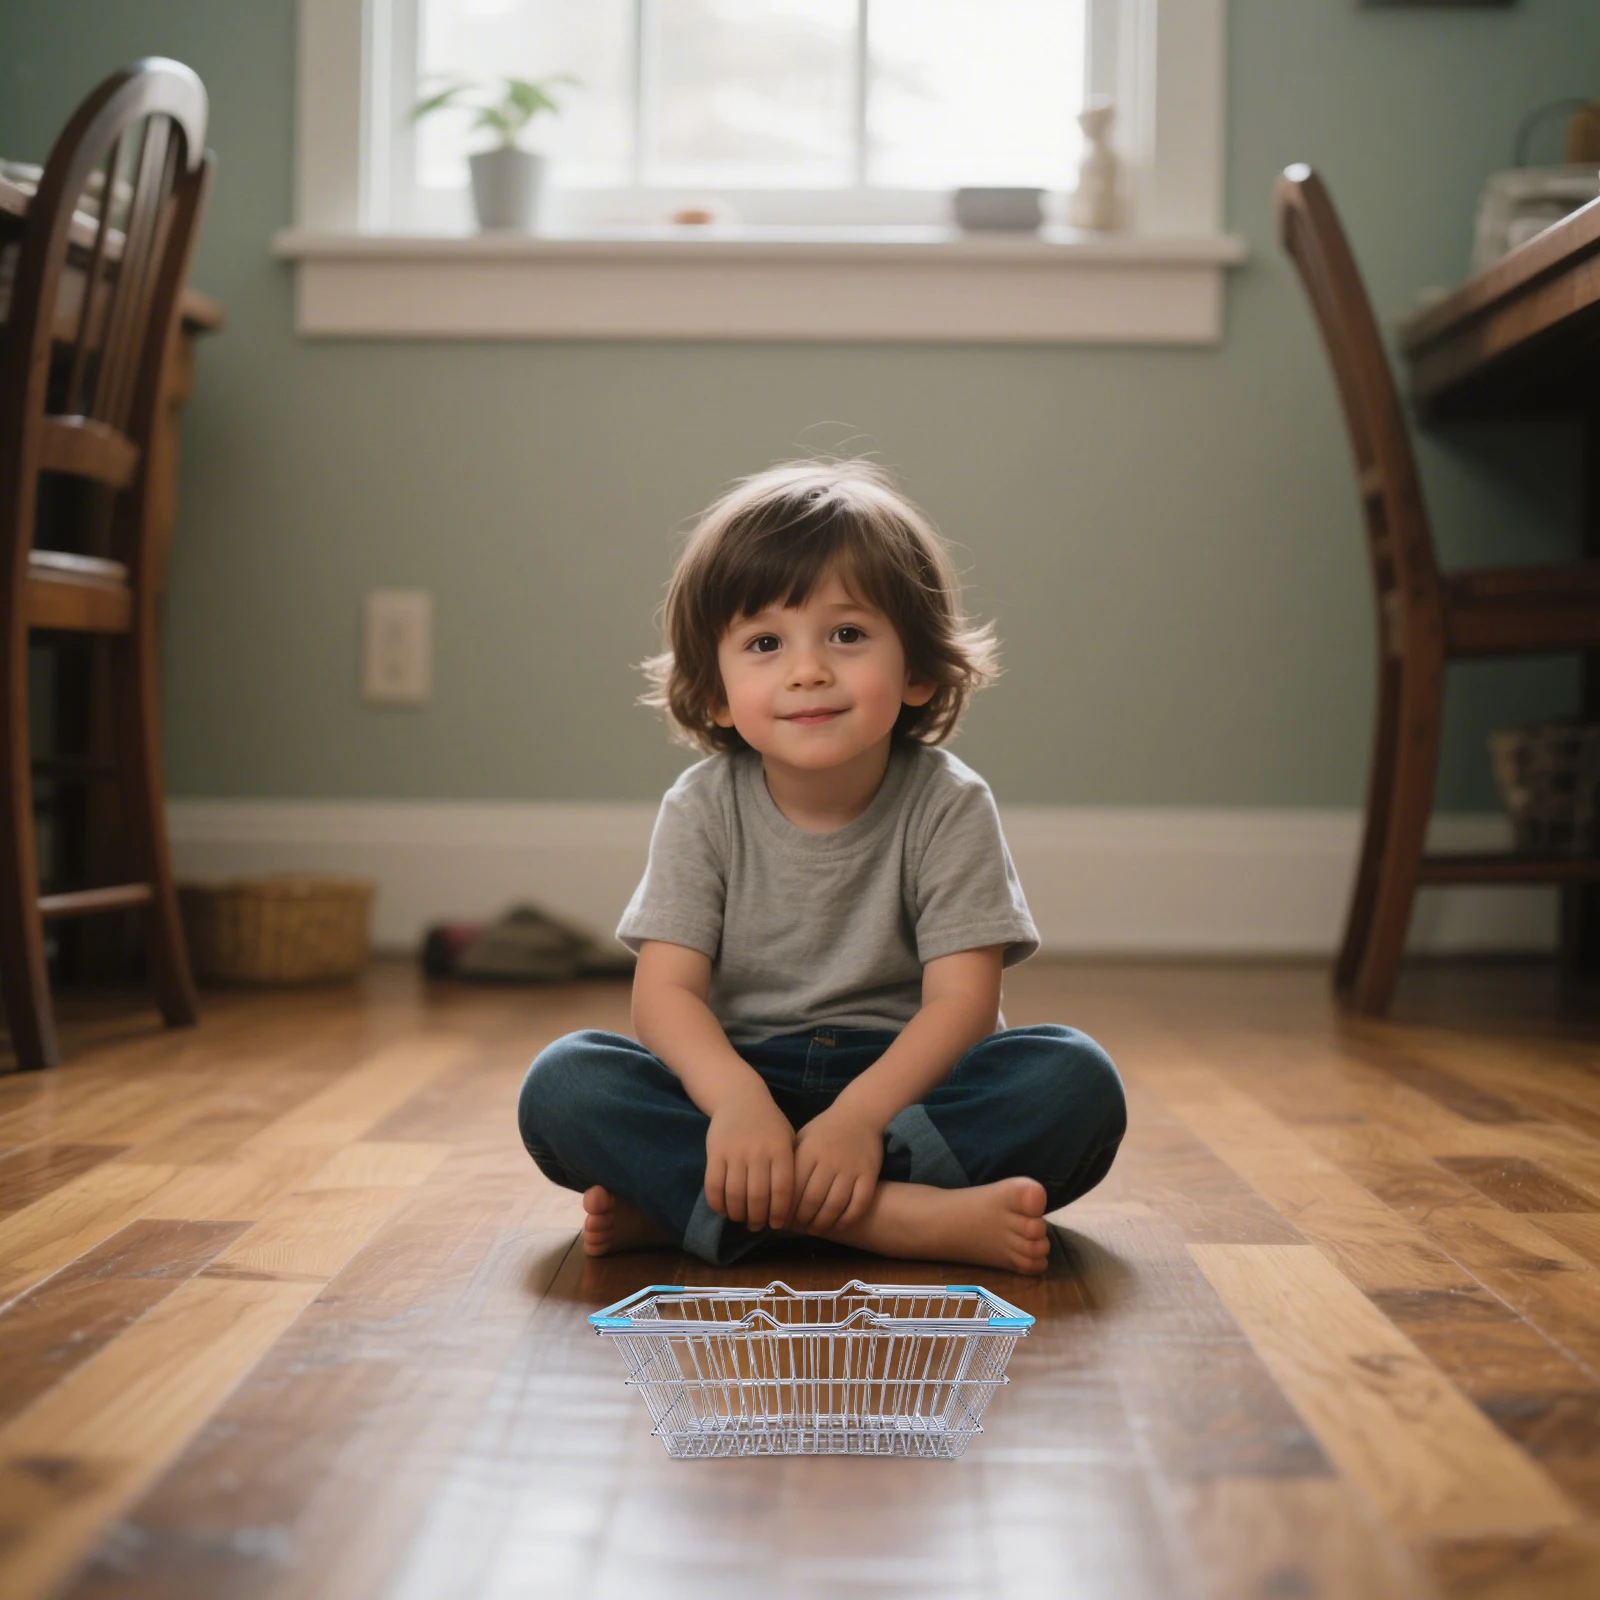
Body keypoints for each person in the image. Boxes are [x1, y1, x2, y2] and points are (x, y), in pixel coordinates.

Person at [516, 460, 1125, 1274]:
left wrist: (858, 1120)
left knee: (1073, 1082)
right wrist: (737, 1104)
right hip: (738, 1083)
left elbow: (965, 1006)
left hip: (903, 1087)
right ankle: (890, 1218)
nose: (808, 669)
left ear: (915, 669)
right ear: (718, 695)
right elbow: (664, 996)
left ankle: (699, 1211)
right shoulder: (703, 806)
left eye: (846, 634)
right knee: (565, 1085)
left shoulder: (950, 805)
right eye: (765, 643)